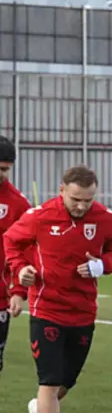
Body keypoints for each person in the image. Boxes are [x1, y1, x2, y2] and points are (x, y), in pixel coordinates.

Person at [4, 165, 112, 413]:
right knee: (48, 381)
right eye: (75, 199)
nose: (82, 206)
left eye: (88, 200)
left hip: (83, 313)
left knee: (64, 384)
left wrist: (103, 265)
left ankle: (37, 409)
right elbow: (10, 241)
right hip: (46, 311)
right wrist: (21, 270)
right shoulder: (40, 216)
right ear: (62, 191)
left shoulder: (104, 219)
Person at [0, 136, 32, 374]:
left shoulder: (18, 204)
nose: (3, 175)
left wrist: (19, 291)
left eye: (6, 170)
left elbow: (27, 251)